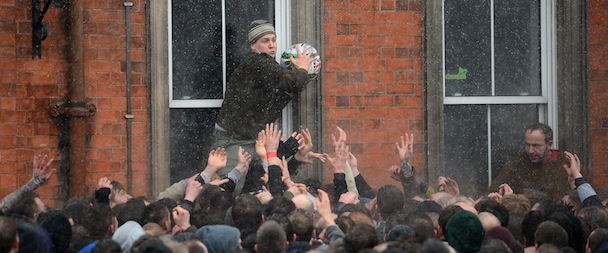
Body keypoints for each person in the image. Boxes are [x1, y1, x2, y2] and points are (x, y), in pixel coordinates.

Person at [211, 19, 316, 195]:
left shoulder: (266, 67)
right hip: (231, 140)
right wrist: (303, 69)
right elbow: (293, 83)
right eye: (265, 41)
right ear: (253, 46)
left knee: (263, 187)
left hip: (251, 139)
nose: (272, 45)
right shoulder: (257, 63)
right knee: (226, 192)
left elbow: (270, 106)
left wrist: (284, 149)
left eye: (274, 40)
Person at [488, 122, 569, 200]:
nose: (530, 151)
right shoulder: (518, 163)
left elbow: (574, 196)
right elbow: (496, 187)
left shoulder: (565, 164)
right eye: (527, 145)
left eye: (536, 145)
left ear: (549, 144)